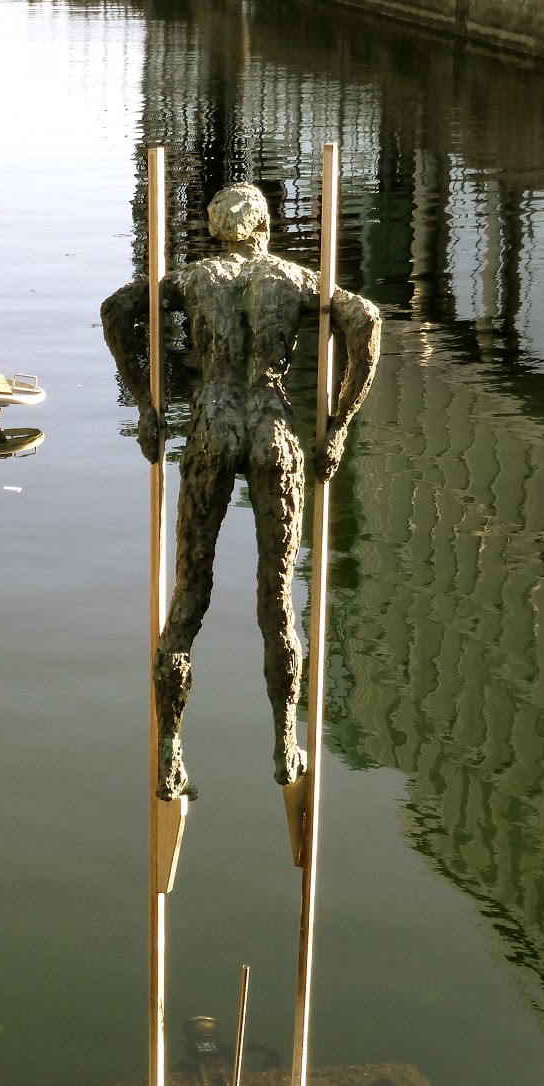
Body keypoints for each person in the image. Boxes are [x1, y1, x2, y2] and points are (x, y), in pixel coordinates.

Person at [100, 183, 381, 799]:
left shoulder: (193, 279)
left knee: (189, 589)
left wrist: (148, 405)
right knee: (276, 598)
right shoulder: (293, 278)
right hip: (269, 426)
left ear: (214, 228)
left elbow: (118, 311)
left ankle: (170, 750)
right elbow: (366, 320)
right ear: (264, 228)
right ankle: (285, 739)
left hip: (211, 424)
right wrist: (338, 423)